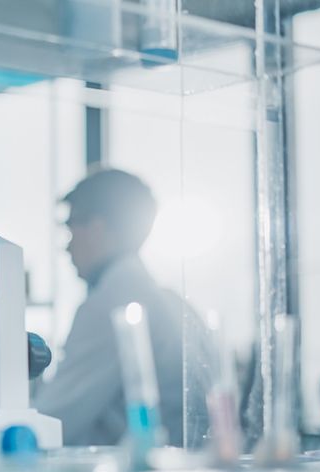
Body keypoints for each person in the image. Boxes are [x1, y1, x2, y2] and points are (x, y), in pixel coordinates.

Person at [33, 169, 209, 446]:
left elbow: (51, 422)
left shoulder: (112, 304)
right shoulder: (172, 301)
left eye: (71, 228)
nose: (66, 247)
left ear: (97, 228)